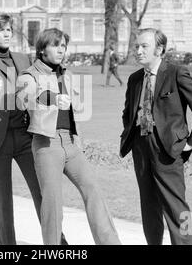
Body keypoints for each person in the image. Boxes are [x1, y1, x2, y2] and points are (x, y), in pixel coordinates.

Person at [16, 28, 121, 245]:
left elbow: (74, 113)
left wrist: (78, 138)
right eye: (56, 45)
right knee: (52, 205)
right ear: (43, 48)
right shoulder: (28, 75)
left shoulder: (67, 74)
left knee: (93, 190)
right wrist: (53, 97)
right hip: (47, 145)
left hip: (71, 144)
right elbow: (27, 96)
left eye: (64, 45)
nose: (61, 50)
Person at [0, 13, 66, 245]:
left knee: (41, 193)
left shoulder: (23, 59)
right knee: (4, 201)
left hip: (24, 135)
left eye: (9, 30)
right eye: (1, 30)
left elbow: (42, 73)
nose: (6, 33)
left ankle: (58, 244)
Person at [120, 28, 192, 245]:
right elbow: (127, 113)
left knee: (178, 207)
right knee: (149, 206)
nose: (138, 50)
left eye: (144, 46)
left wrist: (191, 143)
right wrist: (132, 137)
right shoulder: (135, 79)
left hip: (169, 150)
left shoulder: (176, 73)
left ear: (159, 49)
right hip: (141, 148)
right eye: (137, 46)